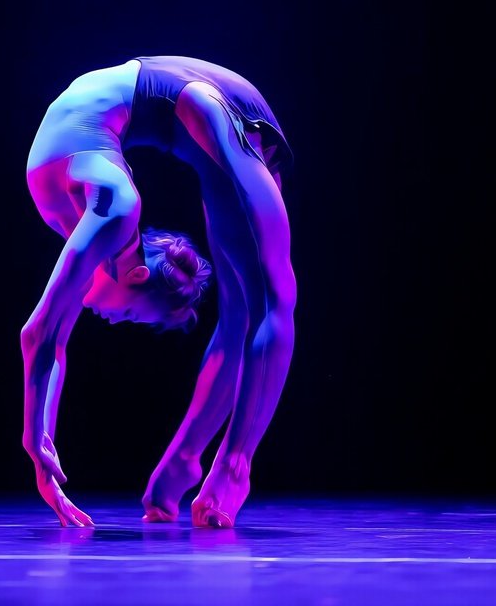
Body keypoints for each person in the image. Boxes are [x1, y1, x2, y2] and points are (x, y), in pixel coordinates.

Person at [21, 55, 296, 528]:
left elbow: (45, 338)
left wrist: (37, 436)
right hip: (204, 102)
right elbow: (45, 337)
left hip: (217, 110)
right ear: (137, 277)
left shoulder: (103, 218)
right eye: (131, 316)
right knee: (243, 313)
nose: (113, 321)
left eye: (129, 319)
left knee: (271, 295)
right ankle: (186, 463)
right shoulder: (114, 210)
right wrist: (37, 438)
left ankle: (233, 463)